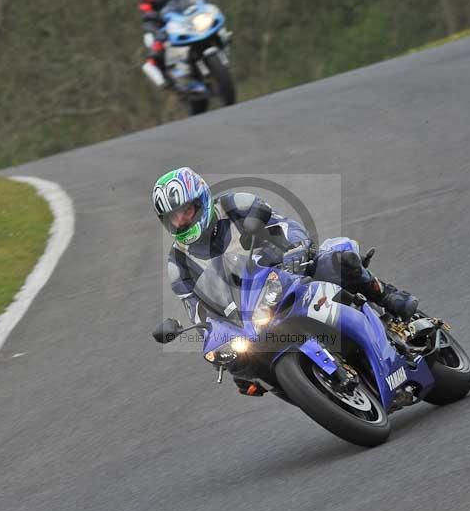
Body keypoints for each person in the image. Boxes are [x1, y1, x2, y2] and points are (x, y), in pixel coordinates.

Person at [152, 167, 419, 395]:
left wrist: (296, 248)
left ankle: (388, 297)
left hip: (289, 271)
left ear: (202, 200)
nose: (181, 220)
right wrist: (218, 347)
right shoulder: (178, 262)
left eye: (185, 211)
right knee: (242, 365)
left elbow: (285, 225)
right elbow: (199, 313)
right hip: (250, 312)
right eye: (173, 217)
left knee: (340, 261)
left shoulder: (234, 205)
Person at [138, 0, 174, 88]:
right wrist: (155, 16)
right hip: (160, 23)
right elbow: (146, 12)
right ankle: (153, 65)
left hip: (185, 17)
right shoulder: (148, 0)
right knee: (157, 39)